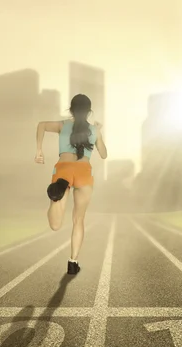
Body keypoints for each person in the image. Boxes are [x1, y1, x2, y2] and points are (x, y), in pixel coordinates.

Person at [34, 94, 108, 275]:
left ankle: (57, 191)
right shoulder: (94, 130)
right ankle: (73, 262)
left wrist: (39, 150)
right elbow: (104, 154)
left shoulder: (63, 125)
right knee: (79, 220)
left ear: (71, 109)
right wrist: (98, 131)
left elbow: (41, 125)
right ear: (89, 111)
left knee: (55, 225)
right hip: (84, 173)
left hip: (63, 170)